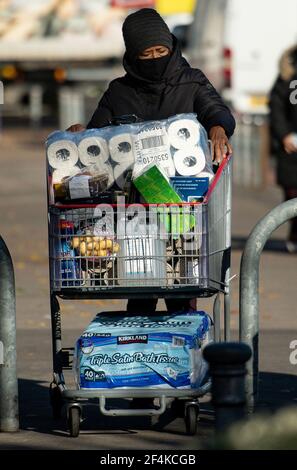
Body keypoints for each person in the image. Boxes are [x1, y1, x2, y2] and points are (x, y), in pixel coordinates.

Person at [68, 8, 236, 313]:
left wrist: (218, 126)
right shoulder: (119, 92)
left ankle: (185, 347)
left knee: (182, 292)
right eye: (147, 53)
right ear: (133, 55)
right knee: (139, 289)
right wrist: (80, 137)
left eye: (162, 50)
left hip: (183, 206)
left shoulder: (192, 82)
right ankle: (139, 347)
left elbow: (215, 108)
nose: (156, 58)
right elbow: (96, 139)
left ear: (171, 47)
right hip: (132, 209)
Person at [269, 45, 297, 252]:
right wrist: (284, 135)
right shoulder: (287, 78)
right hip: (292, 149)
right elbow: (276, 107)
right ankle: (295, 234)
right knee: (293, 195)